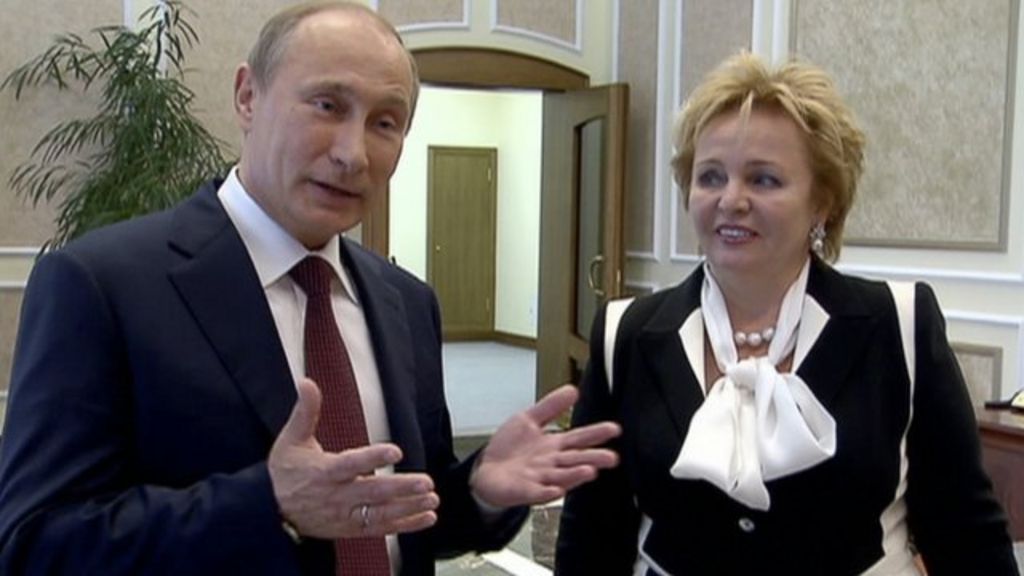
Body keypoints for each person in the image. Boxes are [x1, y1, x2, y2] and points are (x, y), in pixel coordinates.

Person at [0, 2, 621, 575]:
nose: (354, 154)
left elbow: (403, 518)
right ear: (248, 96)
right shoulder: (101, 285)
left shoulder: (406, 302)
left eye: (385, 123)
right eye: (327, 105)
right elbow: (36, 544)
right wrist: (268, 503)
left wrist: (480, 489)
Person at [555, 52, 1019, 575]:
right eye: (711, 177)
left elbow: (966, 534)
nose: (731, 200)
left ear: (822, 201)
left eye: (764, 180)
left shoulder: (899, 326)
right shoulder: (627, 334)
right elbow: (592, 540)